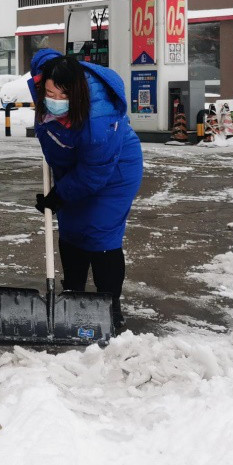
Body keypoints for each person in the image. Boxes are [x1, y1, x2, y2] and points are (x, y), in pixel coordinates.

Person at [28, 49, 143, 331]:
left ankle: (109, 305)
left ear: (77, 93)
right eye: (49, 94)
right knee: (71, 231)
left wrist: (59, 195)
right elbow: (42, 58)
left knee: (100, 235)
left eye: (61, 97)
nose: (53, 101)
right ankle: (72, 295)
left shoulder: (98, 120)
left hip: (113, 171)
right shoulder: (50, 78)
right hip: (74, 168)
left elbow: (94, 173)